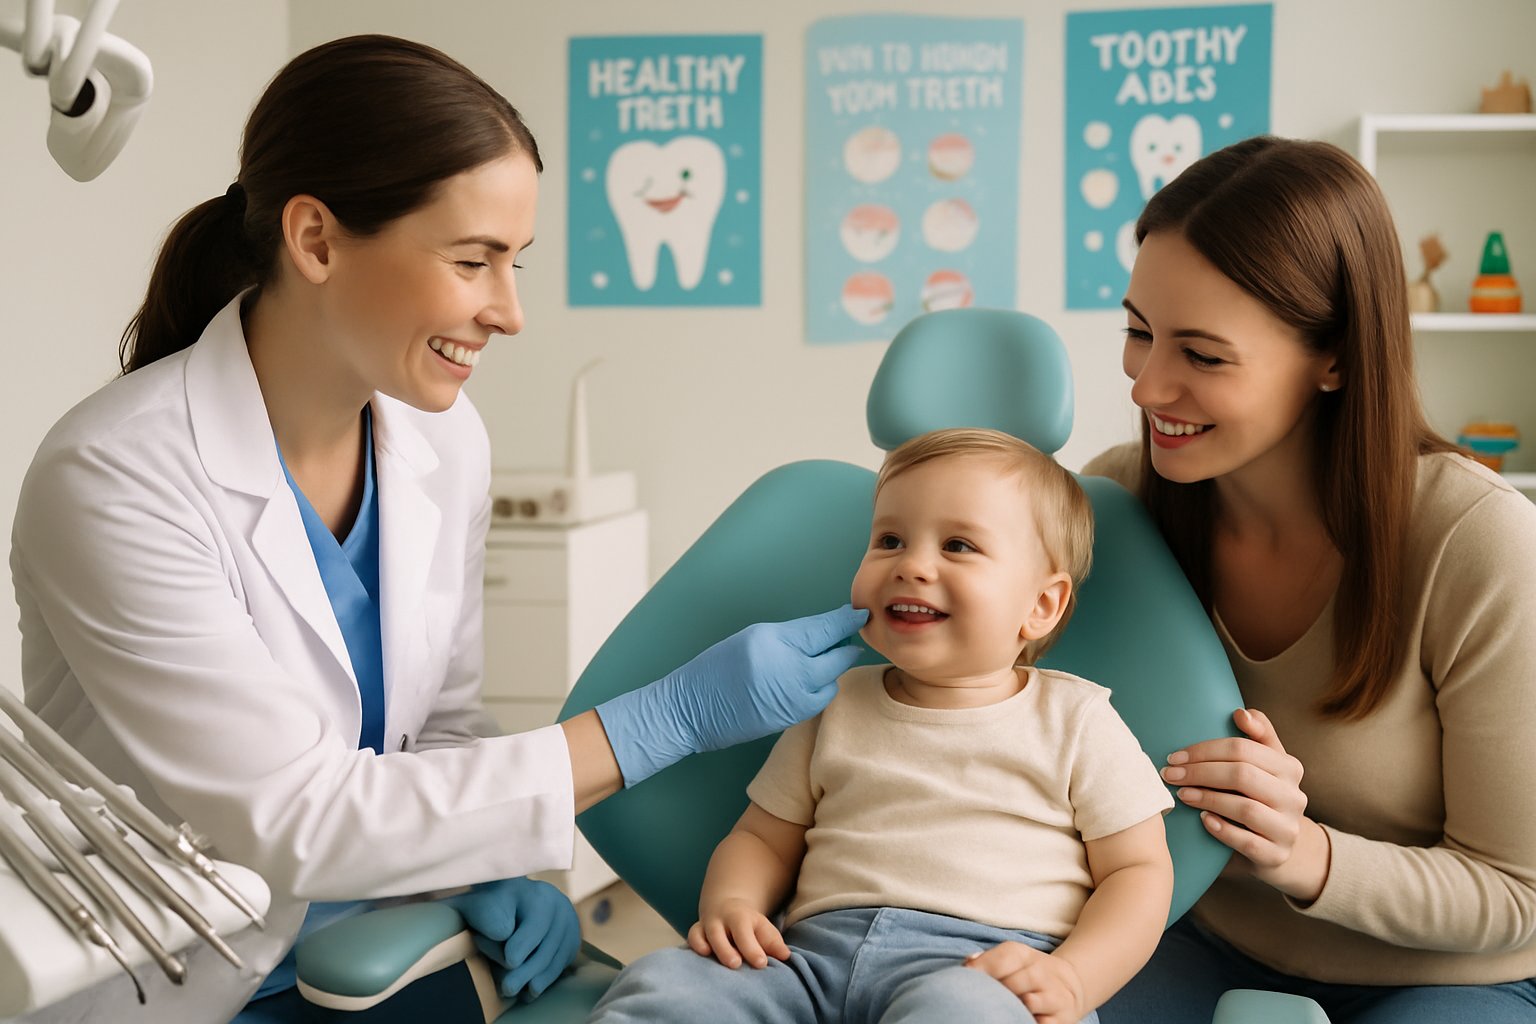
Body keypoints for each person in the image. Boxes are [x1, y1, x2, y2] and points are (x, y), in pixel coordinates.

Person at [9, 34, 866, 1023]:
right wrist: (662, 720)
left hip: (385, 940)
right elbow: (295, 818)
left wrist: (493, 864)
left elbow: (442, 723)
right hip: (178, 979)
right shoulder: (117, 476)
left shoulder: (441, 437)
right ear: (317, 240)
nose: (509, 310)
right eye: (473, 261)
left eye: (516, 262)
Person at [1084, 136, 1536, 1023]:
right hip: (1192, 936)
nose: (1147, 386)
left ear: (1334, 358)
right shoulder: (1119, 503)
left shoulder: (1479, 544)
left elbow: (1519, 891)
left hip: (1445, 977)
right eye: (1140, 333)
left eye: (1203, 356)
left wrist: (1304, 855)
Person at [587, 428, 1175, 1024]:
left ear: (1041, 606)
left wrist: (1073, 977)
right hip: (808, 967)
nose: (912, 565)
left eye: (959, 546)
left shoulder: (1077, 719)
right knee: (665, 983)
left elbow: (1138, 872)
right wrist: (733, 902)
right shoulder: (833, 704)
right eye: (889, 540)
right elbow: (763, 838)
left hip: (982, 973)